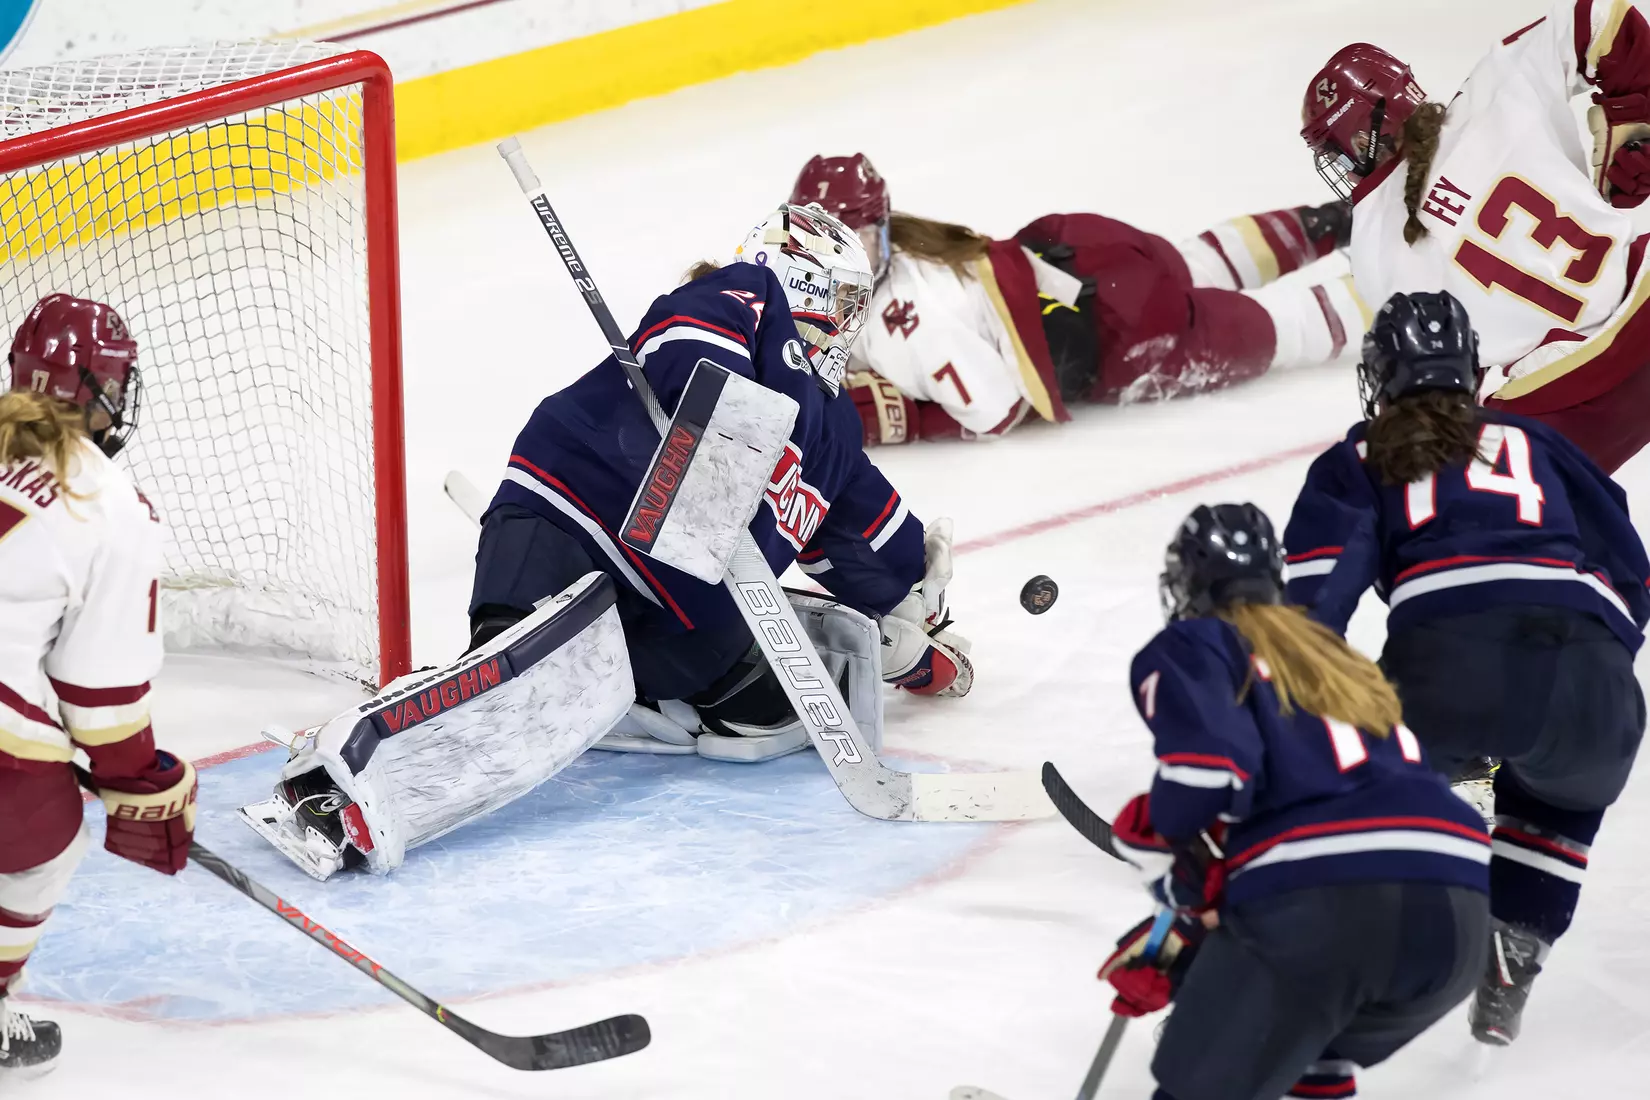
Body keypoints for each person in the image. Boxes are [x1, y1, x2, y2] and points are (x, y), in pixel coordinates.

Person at [239, 204, 972, 881]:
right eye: (844, 301)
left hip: (683, 619)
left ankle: (625, 695)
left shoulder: (835, 432)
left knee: (769, 716)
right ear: (806, 282)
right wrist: (725, 434)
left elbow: (884, 559)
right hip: (579, 522)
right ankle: (340, 780)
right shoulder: (747, 297)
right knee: (521, 695)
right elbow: (689, 353)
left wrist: (915, 638)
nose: (848, 324)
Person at [1282, 290, 1648, 1045]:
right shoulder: (1541, 442)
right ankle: (1518, 937)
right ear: (1472, 370)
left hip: (1451, 672)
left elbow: (1316, 609)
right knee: (1560, 802)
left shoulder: (1361, 455)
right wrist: (1595, 674)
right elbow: (1630, 567)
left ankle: (1278, 984)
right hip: (1596, 686)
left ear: (1379, 376)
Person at [1098, 502, 1489, 1100]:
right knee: (1310, 1056)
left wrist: (1172, 868)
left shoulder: (1197, 643)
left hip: (1327, 901)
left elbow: (1207, 770)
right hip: (1457, 910)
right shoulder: (1339, 660)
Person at [787, 153, 1368, 446]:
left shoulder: (913, 325)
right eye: (824, 238)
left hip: (1127, 332)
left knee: (1282, 327)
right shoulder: (913, 245)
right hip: (1087, 250)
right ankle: (1346, 218)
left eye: (853, 238)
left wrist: (905, 417)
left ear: (881, 229)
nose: (838, 254)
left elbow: (998, 412)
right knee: (1196, 259)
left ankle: (1393, 292)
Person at [1300, 1, 1650, 473]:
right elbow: (1601, 16)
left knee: (1468, 479)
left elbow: (1438, 377)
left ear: (1364, 140)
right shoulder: (1494, 90)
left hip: (1574, 415)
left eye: (1337, 151)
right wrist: (1634, 119)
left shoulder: (1373, 247)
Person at [0, 295, 197, 1076]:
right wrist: (139, 782)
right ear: (97, 391)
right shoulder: (106, 501)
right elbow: (101, 697)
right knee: (40, 833)